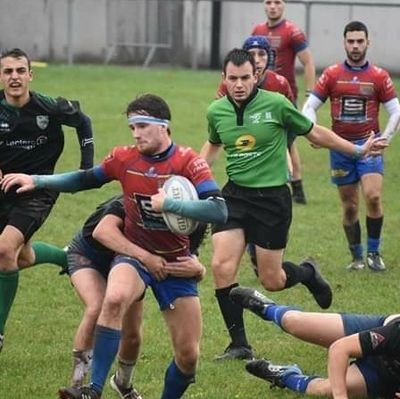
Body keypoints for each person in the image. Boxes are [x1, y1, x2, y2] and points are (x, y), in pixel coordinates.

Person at [1, 93, 227, 399]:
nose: (135, 133)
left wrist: (172, 204)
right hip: (133, 254)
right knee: (114, 297)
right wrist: (38, 180)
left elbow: (218, 210)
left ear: (164, 127)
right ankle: (93, 390)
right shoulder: (125, 158)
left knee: (188, 356)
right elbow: (84, 179)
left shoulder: (188, 161)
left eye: (143, 125)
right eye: (132, 126)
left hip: (175, 263)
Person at [199, 48, 385, 361]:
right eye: (233, 78)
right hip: (235, 197)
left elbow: (316, 133)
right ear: (224, 79)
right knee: (221, 265)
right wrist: (189, 177)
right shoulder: (216, 111)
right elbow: (213, 144)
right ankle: (239, 343)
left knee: (272, 281)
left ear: (256, 75)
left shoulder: (276, 104)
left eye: (245, 77)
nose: (240, 84)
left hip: (272, 200)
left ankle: (308, 273)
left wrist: (356, 150)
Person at [63, 194, 207, 399]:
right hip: (93, 257)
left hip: (131, 260)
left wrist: (199, 269)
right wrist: (146, 258)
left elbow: (183, 251)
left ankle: (123, 384)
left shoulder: (191, 213)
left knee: (131, 338)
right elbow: (102, 232)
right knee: (98, 306)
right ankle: (79, 387)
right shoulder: (132, 200)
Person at [0, 48, 94, 352]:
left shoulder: (50, 107)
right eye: (7, 72)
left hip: (38, 191)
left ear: (30, 74)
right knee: (19, 257)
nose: (14, 77)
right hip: (3, 191)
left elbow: (84, 122)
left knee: (3, 250)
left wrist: (86, 168)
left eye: (19, 71)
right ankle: (67, 256)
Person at [302, 21, 400, 272]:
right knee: (349, 206)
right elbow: (310, 106)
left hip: (369, 146)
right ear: (344, 42)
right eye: (351, 41)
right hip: (340, 148)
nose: (355, 46)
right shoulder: (332, 74)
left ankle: (374, 253)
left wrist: (385, 137)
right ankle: (357, 256)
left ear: (368, 42)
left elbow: (395, 110)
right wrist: (313, 132)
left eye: (360, 41)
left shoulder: (379, 76)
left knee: (374, 196)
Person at [230, 286, 400, 399]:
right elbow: (340, 349)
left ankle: (286, 375)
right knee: (294, 322)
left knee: (325, 390)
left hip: (387, 373)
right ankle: (267, 308)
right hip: (380, 331)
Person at [252, 0, 316, 204]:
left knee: (286, 142)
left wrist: (310, 95)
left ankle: (293, 185)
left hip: (285, 96)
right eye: (268, 2)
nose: (272, 6)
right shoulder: (257, 30)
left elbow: (308, 63)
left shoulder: (292, 32)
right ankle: (291, 186)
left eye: (277, 2)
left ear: (284, 6)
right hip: (259, 94)